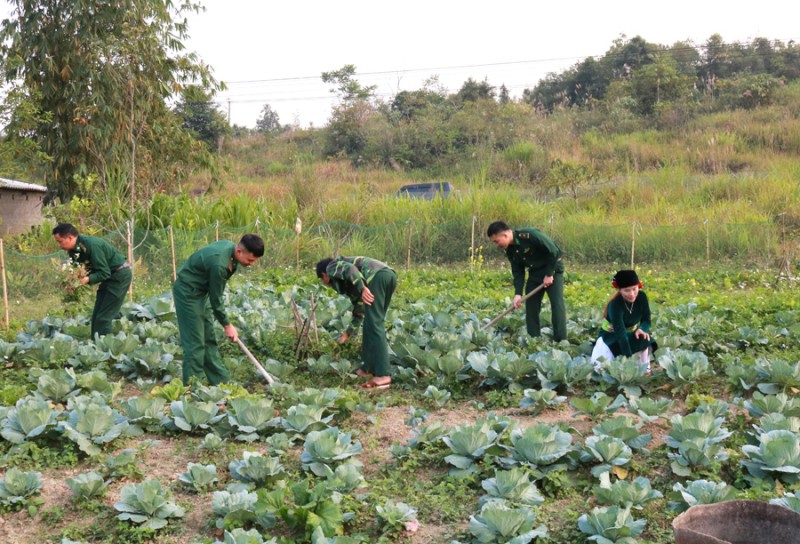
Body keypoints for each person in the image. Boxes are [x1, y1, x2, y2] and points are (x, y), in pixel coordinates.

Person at [173, 234, 264, 386]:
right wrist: (227, 325)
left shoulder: (231, 252)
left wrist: (225, 323)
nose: (251, 264)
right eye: (250, 260)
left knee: (209, 339)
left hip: (202, 292)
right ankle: (192, 389)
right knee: (195, 343)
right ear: (239, 251)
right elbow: (217, 299)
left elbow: (213, 295)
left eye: (254, 261)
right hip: (188, 293)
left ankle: (221, 383)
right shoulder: (219, 265)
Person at [315, 256, 397, 389]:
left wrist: (363, 287)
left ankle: (383, 374)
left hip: (376, 276)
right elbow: (359, 311)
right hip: (389, 276)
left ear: (324, 275)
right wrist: (346, 335)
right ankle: (367, 368)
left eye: (322, 279)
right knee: (371, 322)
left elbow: (350, 269)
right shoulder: (348, 283)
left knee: (375, 324)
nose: (324, 283)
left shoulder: (331, 267)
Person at [487, 220, 567, 341]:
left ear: (505, 235)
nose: (497, 245)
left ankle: (561, 340)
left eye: (496, 241)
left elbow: (554, 251)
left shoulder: (529, 235)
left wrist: (549, 274)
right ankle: (533, 339)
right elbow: (518, 272)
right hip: (535, 273)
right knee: (531, 307)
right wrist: (518, 294)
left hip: (553, 269)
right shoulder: (510, 250)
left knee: (557, 305)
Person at [52, 223, 133, 338]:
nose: (59, 245)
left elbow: (104, 272)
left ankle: (106, 347)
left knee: (104, 317)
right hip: (109, 276)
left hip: (119, 275)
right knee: (96, 316)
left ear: (70, 237)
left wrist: (87, 279)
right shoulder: (75, 250)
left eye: (60, 241)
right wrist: (71, 281)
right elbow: (81, 269)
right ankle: (96, 344)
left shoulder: (91, 245)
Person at [592, 269, 657, 370]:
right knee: (604, 370)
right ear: (620, 290)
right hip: (611, 336)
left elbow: (646, 321)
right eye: (627, 290)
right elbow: (621, 335)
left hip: (630, 334)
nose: (631, 294)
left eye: (634, 289)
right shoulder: (615, 305)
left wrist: (642, 329)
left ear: (639, 286)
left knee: (644, 338)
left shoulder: (642, 297)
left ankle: (644, 369)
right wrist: (629, 359)